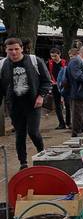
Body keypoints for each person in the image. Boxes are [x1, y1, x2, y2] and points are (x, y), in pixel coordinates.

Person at [0, 38, 51, 169]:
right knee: (19, 135)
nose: (13, 52)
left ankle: (42, 154)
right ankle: (23, 163)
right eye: (10, 49)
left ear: (22, 48)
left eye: (16, 49)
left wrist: (41, 96)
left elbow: (46, 81)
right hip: (15, 106)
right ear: (5, 50)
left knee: (33, 132)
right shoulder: (3, 65)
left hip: (33, 104)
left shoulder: (34, 61)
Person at [47, 48, 69, 129]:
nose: (53, 58)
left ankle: (68, 122)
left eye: (55, 56)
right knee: (57, 105)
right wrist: (50, 81)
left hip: (64, 85)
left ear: (59, 54)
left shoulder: (65, 62)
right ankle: (61, 123)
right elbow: (47, 73)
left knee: (67, 103)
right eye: (52, 56)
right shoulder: (49, 63)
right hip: (54, 85)